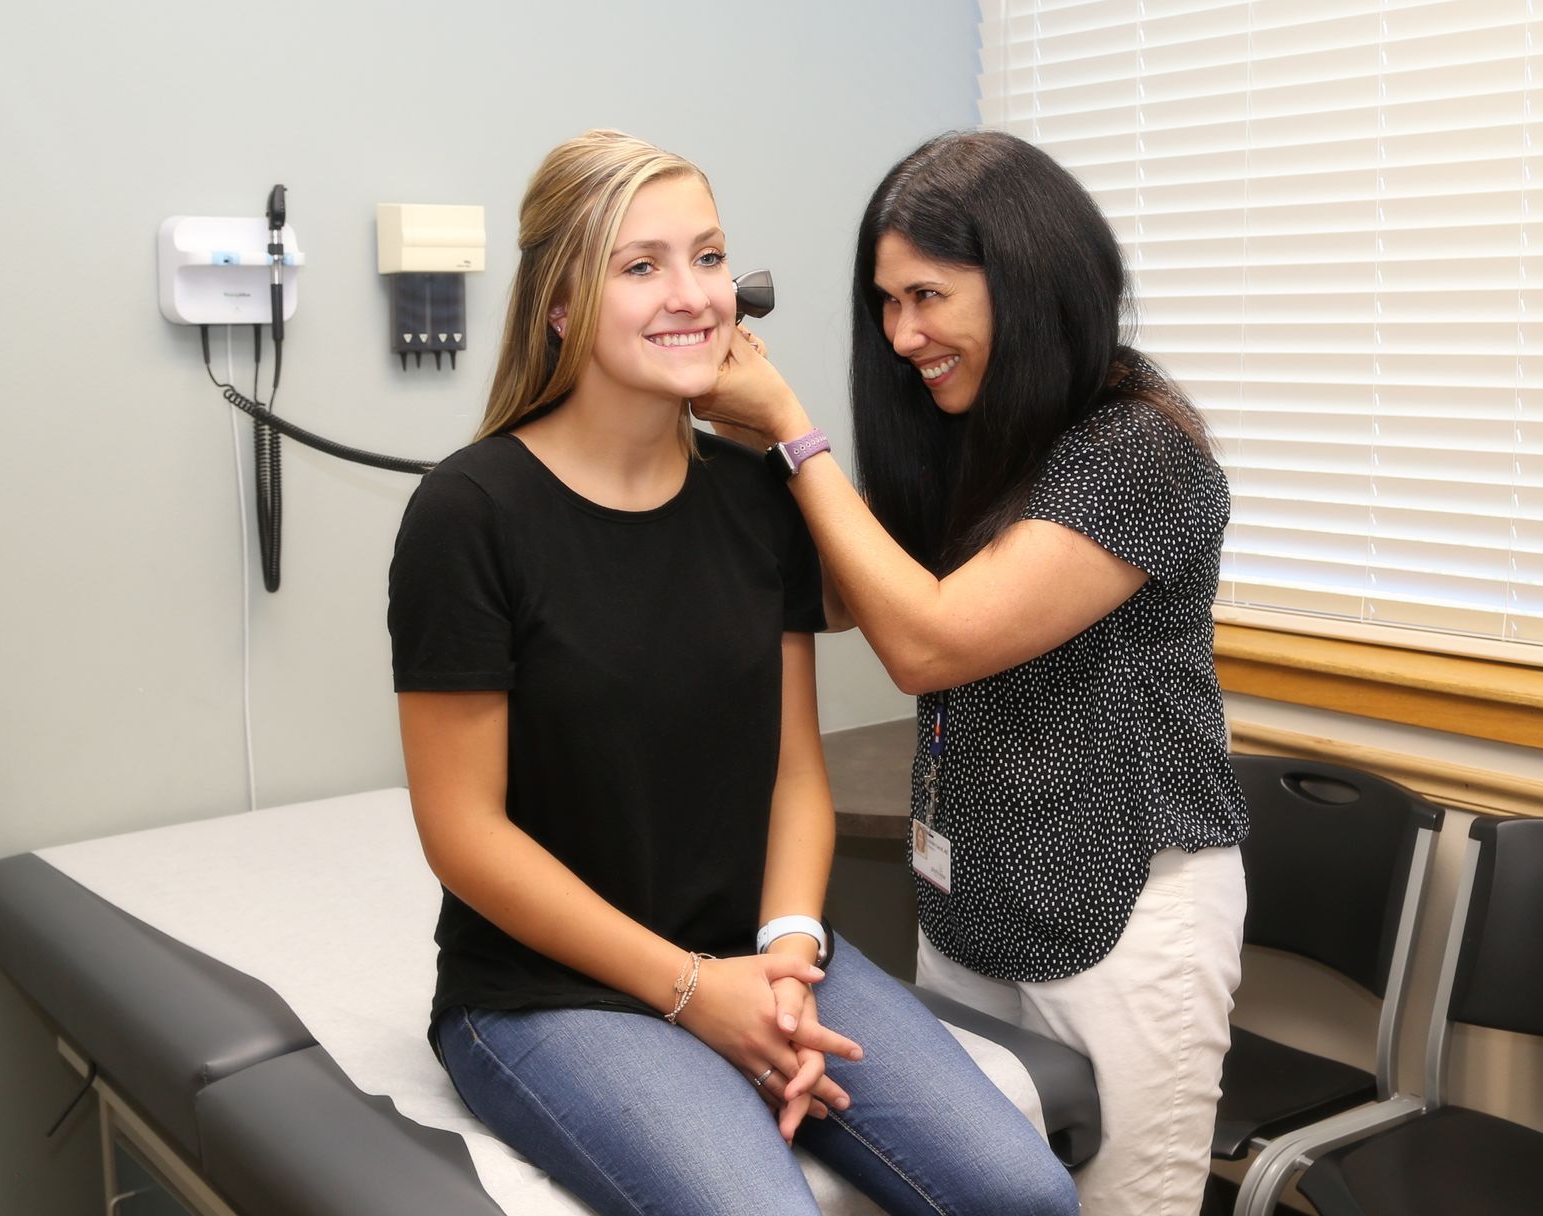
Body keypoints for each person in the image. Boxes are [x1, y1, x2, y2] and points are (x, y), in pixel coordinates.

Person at [387, 129, 1078, 1216]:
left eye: (709, 257)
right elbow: (463, 833)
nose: (694, 294)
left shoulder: (757, 497)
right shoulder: (469, 516)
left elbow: (791, 772)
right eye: (641, 265)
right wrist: (697, 991)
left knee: (1023, 1192)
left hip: (756, 947)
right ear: (562, 304)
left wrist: (789, 952)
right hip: (551, 990)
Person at [692, 129, 1249, 1216]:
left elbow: (928, 641)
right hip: (974, 897)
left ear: (1029, 281)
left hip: (1124, 914)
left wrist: (794, 432)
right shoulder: (976, 431)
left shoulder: (1138, 452)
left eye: (928, 297)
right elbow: (857, 596)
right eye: (887, 304)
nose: (903, 335)